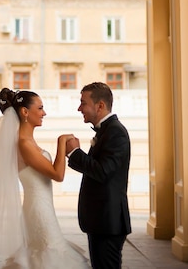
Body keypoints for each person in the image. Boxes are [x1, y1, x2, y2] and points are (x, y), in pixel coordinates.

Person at [0, 87, 89, 268]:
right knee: (49, 253)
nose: (44, 113)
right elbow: (57, 175)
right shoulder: (24, 143)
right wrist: (62, 142)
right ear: (25, 111)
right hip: (39, 211)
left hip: (42, 207)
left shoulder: (28, 141)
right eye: (40, 108)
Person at [66, 82, 131, 269]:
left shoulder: (115, 132)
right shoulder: (107, 131)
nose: (79, 108)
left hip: (108, 222)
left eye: (83, 103)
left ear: (100, 105)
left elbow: (103, 171)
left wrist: (75, 153)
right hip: (101, 221)